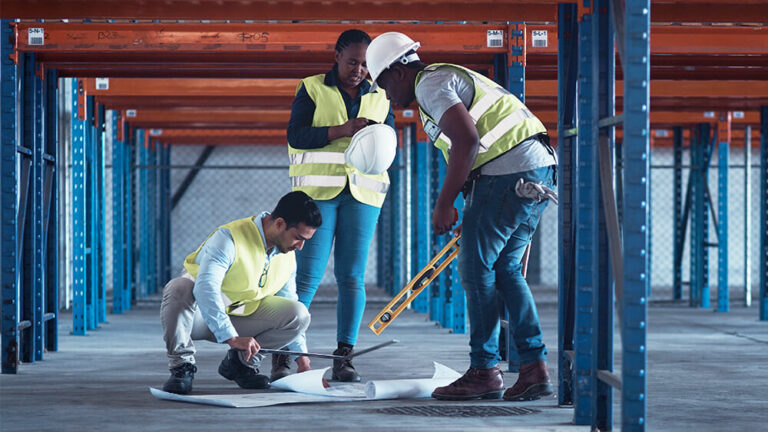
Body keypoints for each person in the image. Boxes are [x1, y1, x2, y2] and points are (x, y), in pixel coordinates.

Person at [366, 32, 558, 401]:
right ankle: (534, 367)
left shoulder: (430, 83)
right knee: (505, 271)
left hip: (507, 175)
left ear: (398, 71)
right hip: (535, 172)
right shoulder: (444, 81)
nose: (386, 95)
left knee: (474, 270)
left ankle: (484, 370)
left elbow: (468, 141)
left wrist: (445, 202)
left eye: (383, 83)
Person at [286, 29, 395, 382]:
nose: (359, 70)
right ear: (336, 56)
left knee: (351, 277)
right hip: (318, 195)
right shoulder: (312, 87)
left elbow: (390, 145)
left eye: (365, 64)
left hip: (363, 196)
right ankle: (287, 351)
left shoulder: (381, 94)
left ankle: (344, 355)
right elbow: (296, 135)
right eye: (353, 62)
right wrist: (342, 129)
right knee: (307, 277)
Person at [159, 191, 322, 394]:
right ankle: (182, 367)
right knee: (178, 287)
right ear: (280, 223)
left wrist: (302, 360)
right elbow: (205, 287)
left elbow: (288, 300)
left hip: (240, 318)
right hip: (197, 317)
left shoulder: (286, 254)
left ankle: (241, 364)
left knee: (298, 314)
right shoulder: (229, 238)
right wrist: (231, 338)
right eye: (298, 238)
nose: (300, 246)